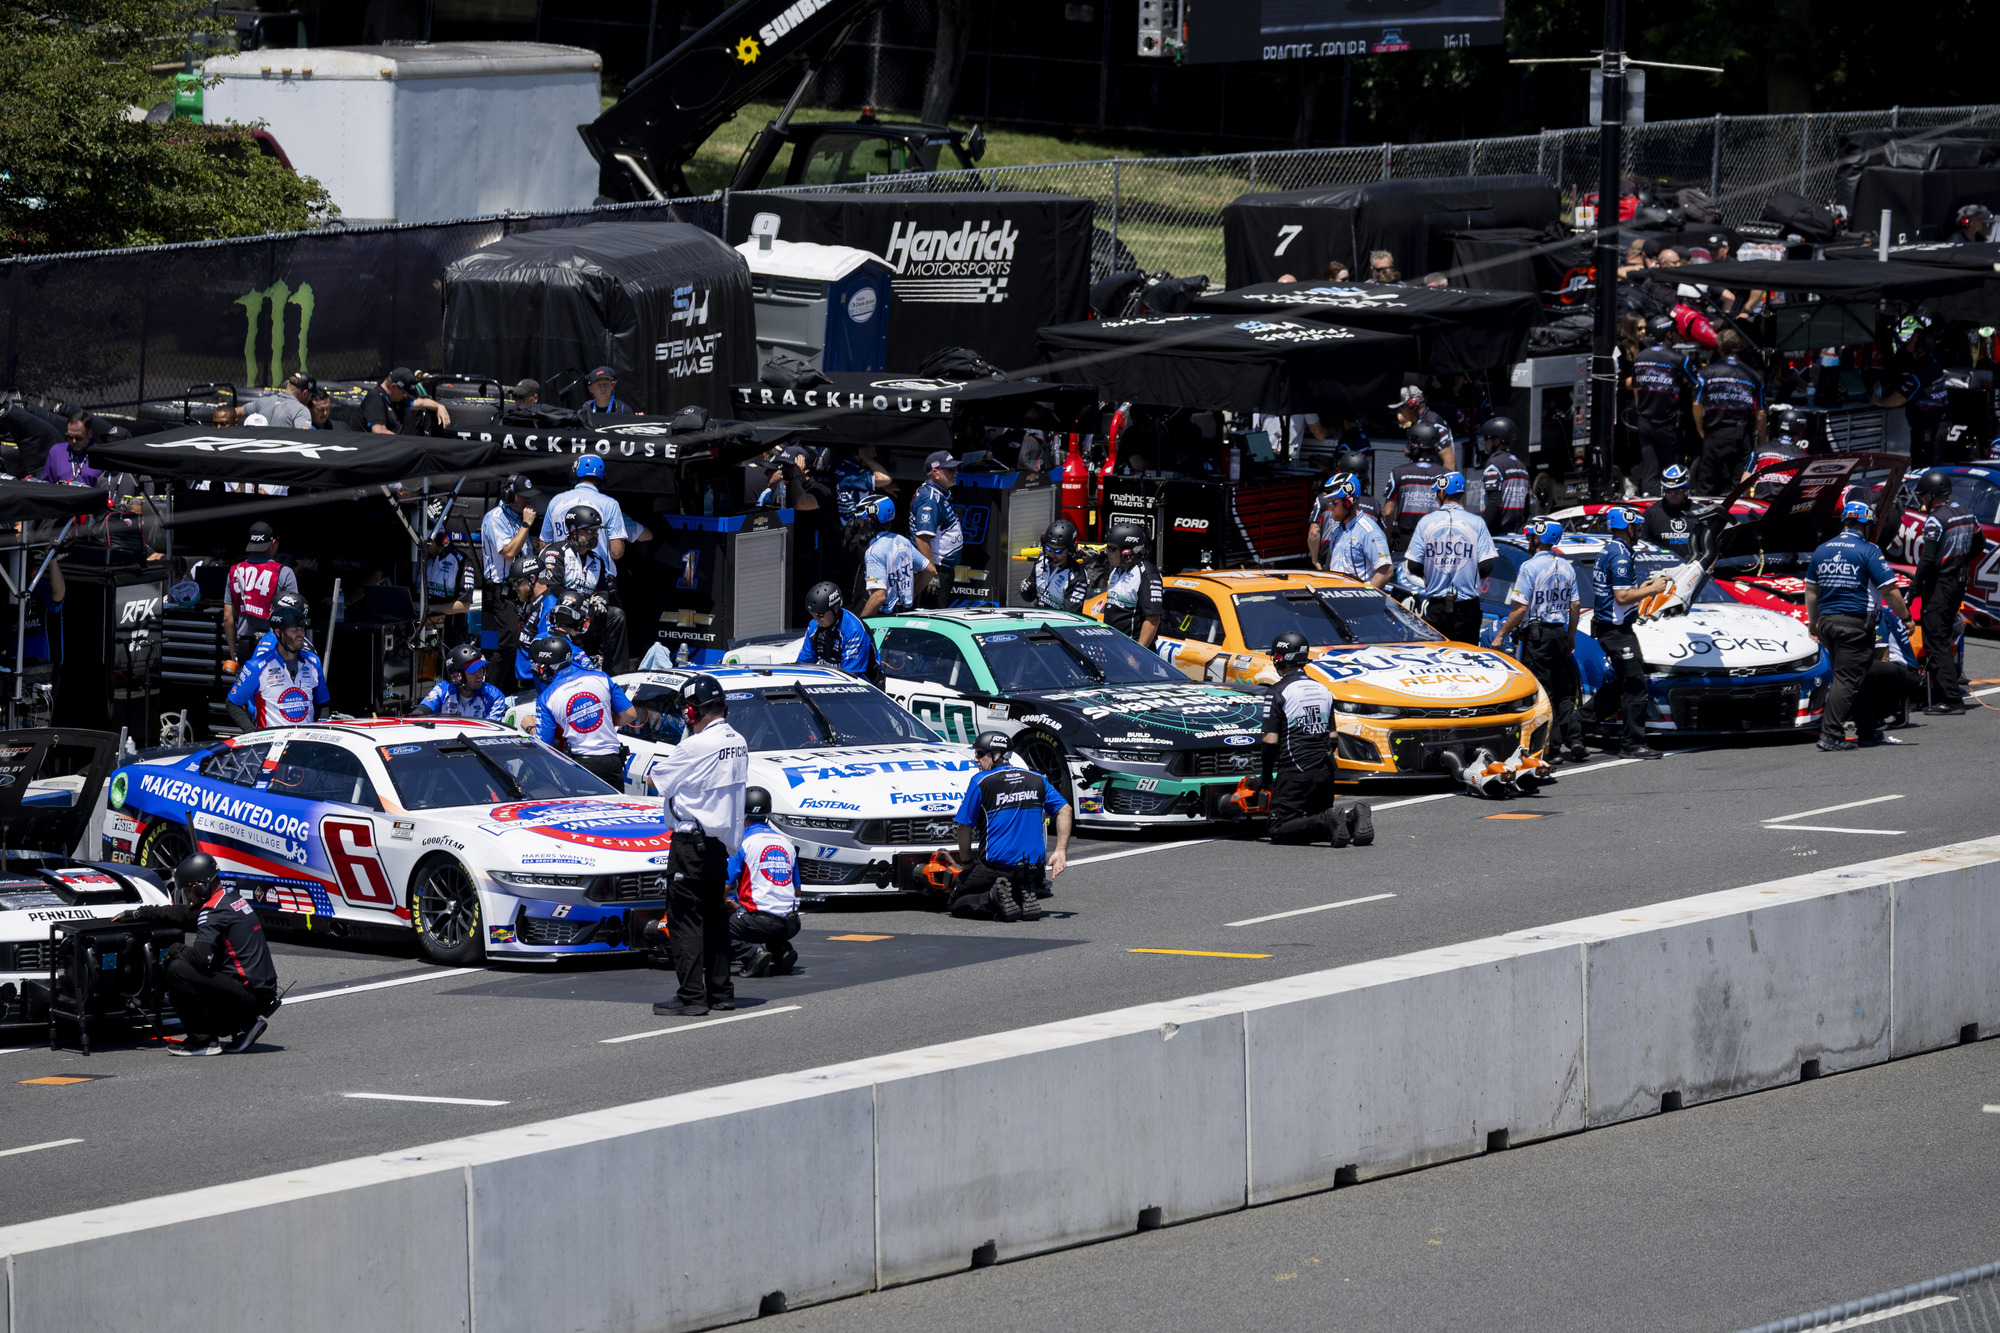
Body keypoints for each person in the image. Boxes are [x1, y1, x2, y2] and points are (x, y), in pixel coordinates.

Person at [650, 675, 750, 1017]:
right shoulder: (739, 741)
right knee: (715, 919)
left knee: (685, 921)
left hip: (690, 845)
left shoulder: (695, 746)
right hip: (719, 845)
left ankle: (692, 996)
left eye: (687, 712)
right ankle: (722, 992)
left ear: (694, 712)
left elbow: (658, 779)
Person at [1803, 500, 1916, 751]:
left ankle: (1868, 731)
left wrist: (1813, 622)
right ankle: (1830, 734)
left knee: (1857, 676)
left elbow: (1811, 589)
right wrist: (1906, 617)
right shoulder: (1869, 550)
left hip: (1828, 623)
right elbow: (1890, 590)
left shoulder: (1822, 549)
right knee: (1847, 679)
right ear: (1867, 524)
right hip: (1855, 625)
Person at [152, 854, 279, 1056]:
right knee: (207, 966)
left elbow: (200, 958)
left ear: (201, 887)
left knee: (177, 969)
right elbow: (185, 913)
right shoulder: (230, 897)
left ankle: (202, 1041)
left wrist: (174, 949)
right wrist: (139, 913)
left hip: (249, 995)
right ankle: (244, 1024)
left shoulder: (212, 911)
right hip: (262, 991)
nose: (188, 897)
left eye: (188, 891)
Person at [947, 730, 1071, 922]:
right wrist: (1060, 851)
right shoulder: (1037, 778)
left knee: (957, 900)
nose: (975, 759)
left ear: (997, 755)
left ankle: (993, 899)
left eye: (980, 754)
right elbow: (1065, 810)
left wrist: (967, 863)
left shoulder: (981, 781)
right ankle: (1021, 894)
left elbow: (964, 827)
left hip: (996, 868)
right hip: (1035, 870)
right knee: (1013, 882)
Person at [1494, 518, 1587, 764]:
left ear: (1537, 539)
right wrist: (1571, 635)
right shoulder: (1566, 566)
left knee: (1543, 691)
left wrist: (1501, 634)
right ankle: (1576, 739)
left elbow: (1521, 607)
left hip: (1538, 636)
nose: (1529, 539)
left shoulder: (1528, 567)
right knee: (1564, 689)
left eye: (1532, 535)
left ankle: (1552, 747)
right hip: (1559, 632)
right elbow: (1575, 604)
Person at [1261, 630, 1365, 845]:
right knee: (1317, 819)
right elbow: (1333, 736)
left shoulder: (1278, 691)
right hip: (1324, 770)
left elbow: (1270, 740)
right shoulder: (1323, 689)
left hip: (1295, 769)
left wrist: (1265, 777)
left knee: (1278, 828)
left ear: (1280, 659)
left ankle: (1332, 820)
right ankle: (1350, 820)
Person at [1591, 507, 1669, 759]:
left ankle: (1575, 724)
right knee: (1636, 684)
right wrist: (1652, 589)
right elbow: (1622, 597)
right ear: (1628, 528)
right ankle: (1633, 744)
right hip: (1616, 631)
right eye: (1636, 526)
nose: (1639, 530)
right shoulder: (1620, 555)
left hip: (1614, 628)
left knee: (1619, 684)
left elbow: (1621, 591)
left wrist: (1642, 587)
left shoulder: (1611, 549)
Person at [1909, 468, 1986, 713]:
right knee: (1943, 636)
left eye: (1923, 496)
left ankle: (1951, 699)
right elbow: (1980, 544)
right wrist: (1960, 561)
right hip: (1959, 583)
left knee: (1936, 640)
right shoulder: (1966, 512)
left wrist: (1913, 590)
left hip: (1941, 584)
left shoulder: (1935, 519)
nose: (1921, 500)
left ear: (1932, 495)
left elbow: (1927, 560)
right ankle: (1939, 692)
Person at [530, 635, 635, 786]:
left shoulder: (546, 697)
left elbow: (544, 744)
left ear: (547, 666)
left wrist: (529, 727)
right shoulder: (601, 677)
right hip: (613, 762)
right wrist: (601, 718)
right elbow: (630, 714)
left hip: (580, 765)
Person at [1406, 472, 1496, 644]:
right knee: (1466, 660)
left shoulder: (1426, 522)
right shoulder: (1477, 522)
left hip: (1437, 607)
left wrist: (1432, 576)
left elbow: (1413, 565)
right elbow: (1486, 567)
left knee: (1437, 660)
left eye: (1436, 492)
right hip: (1467, 609)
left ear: (1442, 492)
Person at [226, 594, 328, 729]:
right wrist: (252, 733)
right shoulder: (257, 665)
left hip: (304, 743)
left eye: (302, 629)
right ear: (279, 633)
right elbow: (233, 702)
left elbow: (323, 702)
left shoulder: (314, 662)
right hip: (271, 744)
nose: (301, 634)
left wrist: (322, 728)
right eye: (295, 630)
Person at [730, 786, 801, 977]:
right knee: (771, 915)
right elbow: (797, 890)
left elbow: (727, 884)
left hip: (758, 921)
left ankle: (753, 954)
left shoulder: (742, 842)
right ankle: (781, 951)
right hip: (790, 922)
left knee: (719, 925)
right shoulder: (786, 843)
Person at [1691, 330, 1763, 495]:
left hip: (1714, 434)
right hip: (1742, 436)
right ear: (1738, 347)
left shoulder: (1706, 373)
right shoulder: (1753, 375)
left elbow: (1696, 404)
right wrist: (1761, 442)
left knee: (1706, 487)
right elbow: (1761, 414)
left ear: (1719, 348)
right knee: (1739, 490)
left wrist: (1701, 429)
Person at [541, 455, 649, 559]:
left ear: (574, 473)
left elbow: (544, 545)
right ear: (602, 477)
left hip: (560, 572)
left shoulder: (555, 501)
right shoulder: (610, 504)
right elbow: (616, 552)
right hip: (597, 574)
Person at [221, 521, 301, 663]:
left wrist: (234, 655)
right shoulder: (284, 572)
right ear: (273, 543)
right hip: (274, 644)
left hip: (245, 645)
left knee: (249, 685)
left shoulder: (234, 571)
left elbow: (228, 618)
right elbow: (294, 615)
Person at [1871, 332, 1952, 471]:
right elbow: (1896, 370)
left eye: (1912, 339)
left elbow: (1900, 397)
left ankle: (1925, 492)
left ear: (1920, 347)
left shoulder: (1926, 367)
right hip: (1927, 422)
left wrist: (1880, 401)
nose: (1908, 340)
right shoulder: (1920, 360)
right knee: (1920, 463)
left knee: (1924, 467)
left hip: (1932, 424)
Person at [1630, 323, 1693, 492]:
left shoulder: (1640, 357)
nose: (1678, 334)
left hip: (1644, 421)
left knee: (1650, 470)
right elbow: (1698, 385)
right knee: (1674, 471)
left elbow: (1635, 387)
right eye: (1675, 331)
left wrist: (1639, 410)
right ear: (1669, 334)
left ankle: (1649, 507)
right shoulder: (1679, 359)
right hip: (1668, 424)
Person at [796, 581, 885, 685]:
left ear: (835, 608)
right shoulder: (814, 625)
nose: (815, 619)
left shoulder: (854, 631)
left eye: (820, 614)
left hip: (864, 687)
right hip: (833, 681)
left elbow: (850, 677)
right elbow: (803, 665)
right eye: (812, 614)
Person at [777, 446, 839, 593]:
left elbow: (801, 503)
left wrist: (797, 477)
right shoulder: (786, 488)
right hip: (785, 557)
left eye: (789, 467)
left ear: (804, 468)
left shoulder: (821, 490)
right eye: (782, 466)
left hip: (809, 561)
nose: (784, 470)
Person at [1315, 475, 1393, 588]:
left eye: (1333, 503)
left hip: (1358, 602)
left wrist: (1367, 598)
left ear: (1348, 501)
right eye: (1328, 503)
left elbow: (1386, 571)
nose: (1330, 508)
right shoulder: (1338, 531)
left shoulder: (1369, 531)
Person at [908, 450, 964, 607]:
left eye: (956, 469)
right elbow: (922, 538)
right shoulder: (931, 499)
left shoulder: (938, 494)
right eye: (951, 469)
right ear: (935, 473)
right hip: (935, 571)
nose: (956, 472)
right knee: (931, 619)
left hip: (940, 569)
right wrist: (931, 574)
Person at [860, 496, 933, 616]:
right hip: (906, 614)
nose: (859, 522)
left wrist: (861, 624)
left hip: (885, 617)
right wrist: (911, 594)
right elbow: (930, 570)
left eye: (861, 519)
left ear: (870, 520)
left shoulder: (874, 551)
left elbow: (878, 596)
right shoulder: (903, 541)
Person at [1381, 422, 1445, 550]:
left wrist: (1386, 543)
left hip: (1407, 539)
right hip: (1438, 539)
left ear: (1414, 444)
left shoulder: (1399, 472)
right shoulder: (1445, 474)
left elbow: (1388, 512)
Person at [1100, 523, 1163, 646]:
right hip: (1113, 647)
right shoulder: (1116, 570)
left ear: (1127, 552)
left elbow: (1153, 619)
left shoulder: (1147, 574)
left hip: (1131, 650)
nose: (1106, 552)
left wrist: (1138, 654)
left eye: (1111, 548)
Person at [414, 644, 509, 720]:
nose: (479, 675)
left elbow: (491, 732)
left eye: (481, 669)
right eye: (473, 671)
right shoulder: (443, 689)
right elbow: (421, 711)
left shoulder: (494, 696)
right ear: (458, 676)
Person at [1020, 518, 1093, 611]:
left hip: (1057, 623)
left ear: (1070, 550)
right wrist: (1026, 590)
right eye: (1049, 549)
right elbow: (1030, 596)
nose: (1052, 554)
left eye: (1058, 551)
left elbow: (1072, 615)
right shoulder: (1040, 562)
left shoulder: (1077, 576)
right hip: (1037, 618)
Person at [1477, 418, 1530, 536]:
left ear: (1496, 441)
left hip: (1496, 533)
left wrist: (1479, 532)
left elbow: (1494, 503)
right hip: (1514, 534)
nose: (1484, 442)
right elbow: (1526, 506)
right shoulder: (1522, 466)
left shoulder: (1494, 464)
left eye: (1486, 438)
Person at [362, 367, 452, 435]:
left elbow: (421, 402)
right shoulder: (375, 399)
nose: (405, 397)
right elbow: (379, 431)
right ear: (393, 387)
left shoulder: (396, 398)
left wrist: (439, 407)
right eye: (404, 393)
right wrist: (407, 442)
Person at [1744, 404, 1806, 499]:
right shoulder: (1803, 458)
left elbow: (1745, 484)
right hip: (1783, 509)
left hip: (1758, 508)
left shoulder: (1760, 450)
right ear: (1801, 431)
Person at [1390, 387, 1457, 470]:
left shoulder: (1433, 424)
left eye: (1401, 408)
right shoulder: (1418, 422)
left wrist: (1443, 482)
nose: (1399, 412)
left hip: (1434, 478)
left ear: (1412, 406)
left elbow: (1450, 461)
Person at [1641, 466, 1700, 557]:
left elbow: (1711, 547)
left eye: (1678, 490)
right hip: (1662, 569)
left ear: (1686, 488)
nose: (1673, 494)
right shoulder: (1651, 514)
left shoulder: (1699, 513)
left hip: (1693, 568)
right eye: (1669, 490)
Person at [39, 411, 103, 486]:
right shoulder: (56, 452)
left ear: (89, 434)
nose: (74, 441)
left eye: (79, 438)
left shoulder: (100, 456)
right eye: (70, 437)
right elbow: (46, 485)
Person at [834, 441, 894, 521]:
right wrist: (866, 457)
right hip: (855, 526)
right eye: (872, 450)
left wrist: (881, 486)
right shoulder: (852, 473)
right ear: (861, 450)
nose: (875, 455)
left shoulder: (848, 467)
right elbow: (885, 479)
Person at [247, 372, 314, 431]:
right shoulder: (301, 410)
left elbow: (237, 412)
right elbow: (305, 435)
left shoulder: (262, 401)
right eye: (311, 395)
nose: (310, 399)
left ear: (288, 385)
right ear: (304, 393)